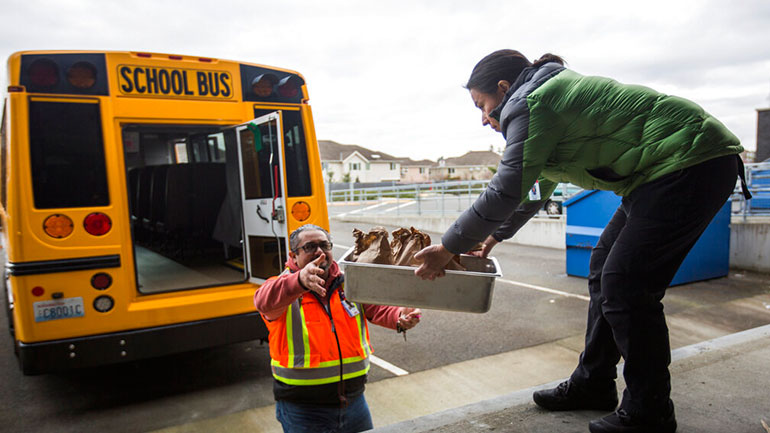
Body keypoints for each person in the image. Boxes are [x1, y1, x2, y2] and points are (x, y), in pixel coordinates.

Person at [414, 49, 751, 433]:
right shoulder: (540, 101)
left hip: (690, 161)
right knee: (604, 266)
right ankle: (593, 383)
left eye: (483, 105)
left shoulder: (531, 103)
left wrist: (448, 248)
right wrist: (494, 235)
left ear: (504, 88)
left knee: (627, 285)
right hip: (663, 174)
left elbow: (505, 189)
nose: (483, 118)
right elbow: (537, 186)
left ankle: (649, 412)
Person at [255, 224, 422, 433]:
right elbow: (263, 301)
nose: (319, 252)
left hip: (354, 402)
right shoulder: (282, 288)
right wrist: (299, 281)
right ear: (293, 255)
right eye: (310, 247)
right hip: (304, 410)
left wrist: (400, 317)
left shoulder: (348, 282)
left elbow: (376, 308)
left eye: (324, 245)